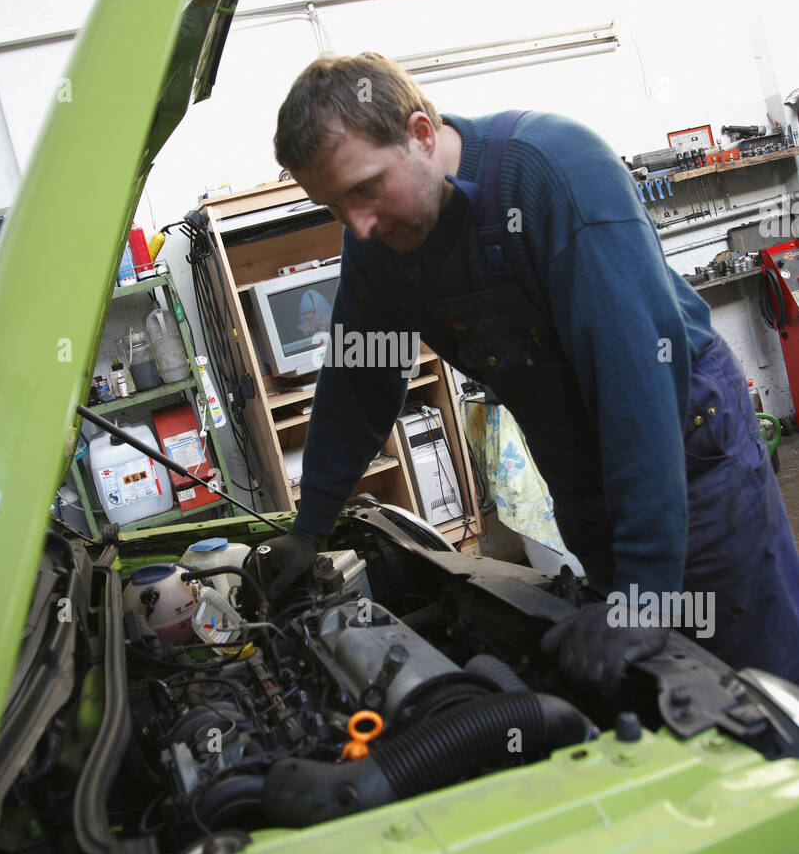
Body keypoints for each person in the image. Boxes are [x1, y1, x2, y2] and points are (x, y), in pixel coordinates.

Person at [265, 51, 799, 689]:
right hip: (582, 473)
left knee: (751, 678)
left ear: (421, 135)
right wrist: (310, 527)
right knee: (645, 682)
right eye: (334, 208)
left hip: (684, 448)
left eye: (365, 188)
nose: (358, 224)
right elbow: (358, 380)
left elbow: (635, 382)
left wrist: (645, 594)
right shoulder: (377, 244)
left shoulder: (554, 172)